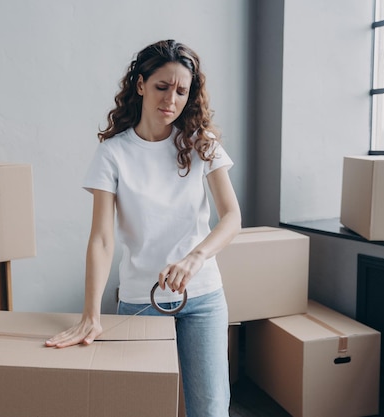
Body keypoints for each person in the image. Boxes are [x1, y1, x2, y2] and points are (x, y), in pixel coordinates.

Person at [45, 39, 242, 417]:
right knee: (142, 407)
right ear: (140, 85)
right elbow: (102, 240)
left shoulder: (202, 143)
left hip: (203, 298)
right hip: (141, 301)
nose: (171, 99)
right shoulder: (113, 153)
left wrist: (195, 257)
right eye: (161, 87)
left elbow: (232, 217)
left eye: (182, 91)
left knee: (211, 409)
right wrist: (91, 314)